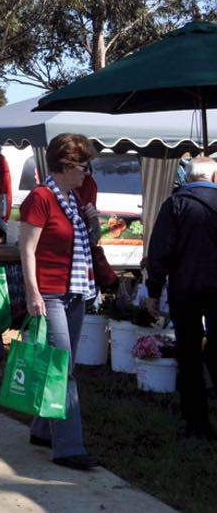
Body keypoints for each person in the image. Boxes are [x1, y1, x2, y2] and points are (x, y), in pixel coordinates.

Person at [17, 132, 100, 470]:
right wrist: (33, 293)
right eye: (83, 165)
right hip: (49, 294)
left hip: (75, 292)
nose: (87, 172)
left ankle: (42, 429)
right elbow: (27, 249)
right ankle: (69, 447)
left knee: (63, 365)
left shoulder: (72, 199)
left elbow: (87, 244)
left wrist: (93, 220)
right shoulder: (41, 198)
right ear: (66, 165)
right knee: (62, 369)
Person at [145, 155, 217, 440]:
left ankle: (196, 422)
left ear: (188, 177)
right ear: (213, 178)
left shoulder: (175, 203)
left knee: (188, 354)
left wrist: (152, 290)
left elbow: (160, 251)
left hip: (185, 289)